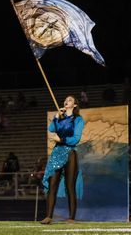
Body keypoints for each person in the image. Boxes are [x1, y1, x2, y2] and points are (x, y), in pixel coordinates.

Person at [40, 95, 84, 225]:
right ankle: (48, 216)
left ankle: (71, 217)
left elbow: (76, 139)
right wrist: (56, 117)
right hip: (57, 152)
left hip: (69, 152)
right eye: (65, 100)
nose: (66, 101)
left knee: (70, 185)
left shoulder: (78, 119)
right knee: (52, 184)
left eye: (70, 100)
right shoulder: (60, 117)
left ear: (75, 105)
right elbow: (51, 129)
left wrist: (62, 139)